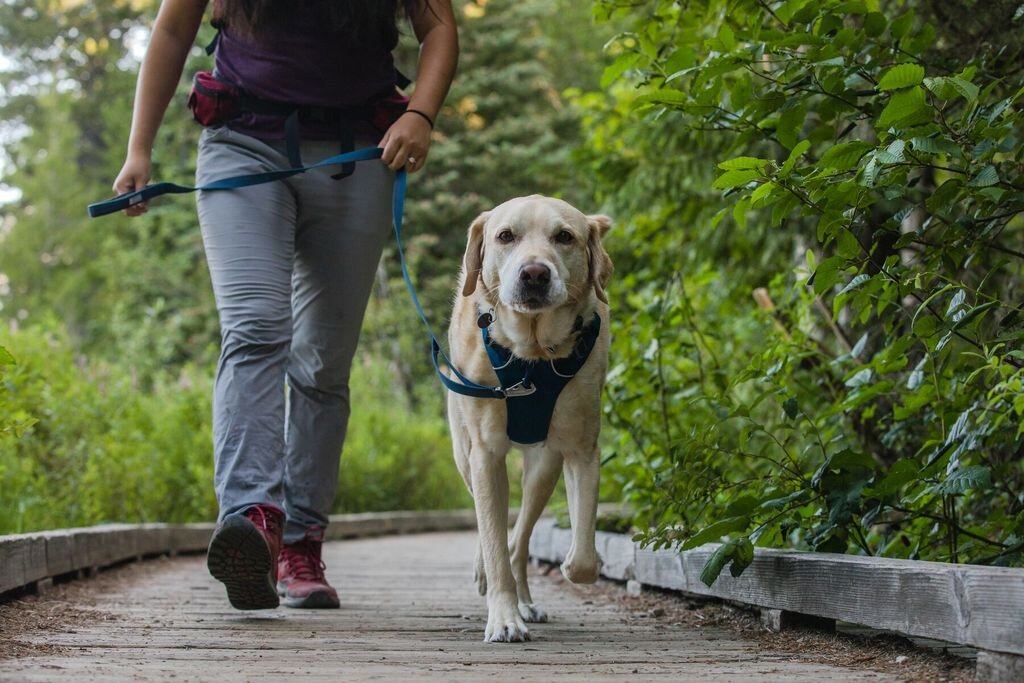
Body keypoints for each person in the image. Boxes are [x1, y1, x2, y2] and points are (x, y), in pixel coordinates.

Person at [113, 0, 458, 610]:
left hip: (358, 156)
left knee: (324, 361)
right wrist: (138, 148)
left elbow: (439, 29)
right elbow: (171, 27)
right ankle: (254, 519)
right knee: (254, 327)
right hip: (242, 144)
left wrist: (422, 114)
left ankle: (301, 541)